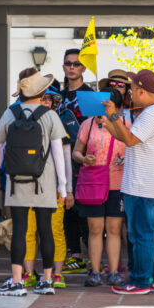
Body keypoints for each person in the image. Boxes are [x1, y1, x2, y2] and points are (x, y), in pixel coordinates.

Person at [0, 70, 69, 296]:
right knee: (46, 230)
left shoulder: (10, 113)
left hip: (17, 181)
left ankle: (17, 281)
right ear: (42, 92)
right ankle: (46, 280)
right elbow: (58, 154)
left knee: (20, 231)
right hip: (44, 181)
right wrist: (62, 187)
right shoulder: (50, 115)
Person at [100, 69, 154, 295]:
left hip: (143, 186)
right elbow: (127, 137)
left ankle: (141, 281)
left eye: (132, 90)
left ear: (142, 90)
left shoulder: (151, 114)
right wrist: (111, 122)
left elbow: (131, 140)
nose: (130, 94)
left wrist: (114, 116)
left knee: (142, 236)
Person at [22, 80, 75, 290]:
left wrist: (68, 189)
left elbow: (66, 160)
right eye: (41, 97)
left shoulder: (60, 122)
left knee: (55, 231)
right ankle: (28, 273)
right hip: (27, 186)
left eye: (48, 98)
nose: (44, 102)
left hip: (54, 189)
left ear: (54, 102)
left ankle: (57, 273)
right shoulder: (22, 120)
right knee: (28, 231)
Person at [73, 88, 129, 287]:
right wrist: (83, 159)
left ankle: (113, 271)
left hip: (118, 183)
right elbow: (76, 152)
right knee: (95, 229)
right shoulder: (87, 124)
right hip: (94, 182)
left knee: (114, 229)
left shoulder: (125, 124)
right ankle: (95, 271)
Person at [59, 48, 93, 274]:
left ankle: (94, 257)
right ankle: (76, 255)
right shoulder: (56, 96)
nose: (72, 67)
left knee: (86, 208)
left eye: (76, 64)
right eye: (68, 64)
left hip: (84, 157)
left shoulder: (91, 95)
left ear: (83, 68)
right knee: (67, 207)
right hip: (60, 155)